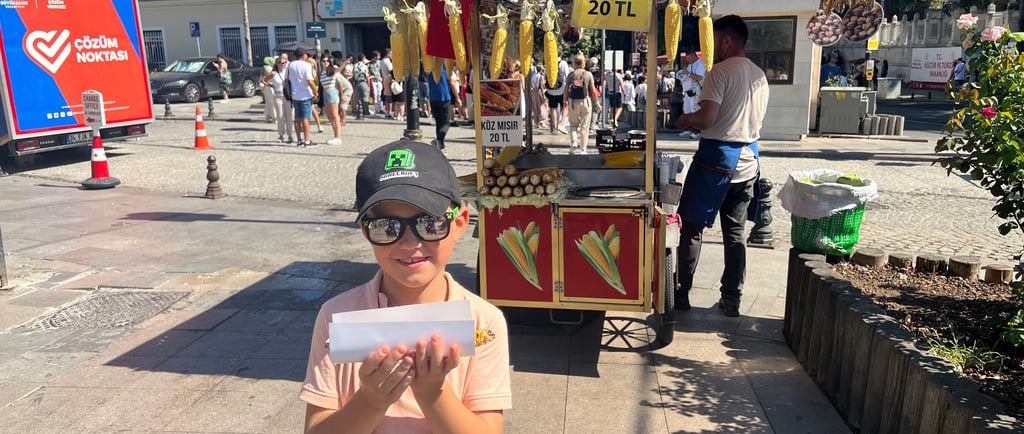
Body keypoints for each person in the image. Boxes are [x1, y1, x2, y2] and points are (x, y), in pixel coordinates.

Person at [300, 140, 512, 433]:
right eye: (386, 226)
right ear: (365, 230)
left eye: (430, 223)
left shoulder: (484, 321)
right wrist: (371, 400)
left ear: (460, 222)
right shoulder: (336, 317)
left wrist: (432, 393)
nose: (410, 243)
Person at [672, 14, 769, 317]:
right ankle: (732, 298)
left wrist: (685, 120)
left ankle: (681, 292)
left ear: (726, 40)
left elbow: (707, 119)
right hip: (748, 163)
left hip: (716, 161)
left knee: (692, 227)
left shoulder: (719, 72)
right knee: (735, 232)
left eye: (713, 40)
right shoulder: (760, 76)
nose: (710, 47)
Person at [563, 53, 600, 154]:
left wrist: (565, 101)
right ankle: (583, 149)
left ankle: (574, 142)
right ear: (584, 62)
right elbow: (593, 90)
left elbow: (566, 90)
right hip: (585, 102)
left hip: (573, 102)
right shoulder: (588, 74)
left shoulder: (571, 75)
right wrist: (597, 103)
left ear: (574, 63)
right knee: (585, 127)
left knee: (573, 125)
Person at [287, 48, 319, 148]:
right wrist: (316, 92)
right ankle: (307, 140)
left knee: (297, 118)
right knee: (305, 118)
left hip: (295, 94)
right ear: (303, 55)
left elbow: (287, 79)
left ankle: (299, 140)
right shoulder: (306, 65)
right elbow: (310, 81)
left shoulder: (290, 65)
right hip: (305, 94)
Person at [261, 55, 294, 143]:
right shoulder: (273, 73)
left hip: (287, 95)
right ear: (278, 64)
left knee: (289, 116)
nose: (284, 64)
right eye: (282, 63)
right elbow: (263, 80)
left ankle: (290, 135)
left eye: (285, 63)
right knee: (280, 116)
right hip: (278, 95)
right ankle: (281, 134)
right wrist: (271, 85)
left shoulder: (288, 72)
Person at [678, 52, 705, 139]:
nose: (687, 59)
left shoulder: (699, 64)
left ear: (693, 56)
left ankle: (697, 130)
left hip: (695, 91)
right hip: (687, 91)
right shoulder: (691, 65)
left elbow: (700, 77)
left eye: (688, 57)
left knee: (695, 110)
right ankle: (688, 129)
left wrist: (688, 74)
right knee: (687, 110)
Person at [428, 62, 453, 154]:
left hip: (433, 97)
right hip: (444, 97)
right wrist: (457, 97)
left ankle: (440, 146)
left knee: (439, 123)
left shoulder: (429, 69)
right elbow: (451, 81)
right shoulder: (443, 67)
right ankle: (439, 140)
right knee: (446, 123)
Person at [320, 58, 345, 145]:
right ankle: (335, 135)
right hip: (325, 92)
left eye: (327, 61)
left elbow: (339, 69)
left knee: (335, 116)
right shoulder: (322, 72)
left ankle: (338, 137)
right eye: (324, 61)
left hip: (332, 92)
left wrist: (345, 62)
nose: (325, 62)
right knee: (330, 116)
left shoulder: (332, 70)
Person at [544, 52, 570, 134]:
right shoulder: (563, 63)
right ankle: (562, 124)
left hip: (551, 90)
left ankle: (555, 129)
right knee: (566, 106)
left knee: (553, 109)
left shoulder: (549, 63)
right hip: (562, 89)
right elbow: (567, 75)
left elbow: (545, 75)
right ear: (561, 55)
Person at [352, 54, 372, 119]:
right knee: (365, 97)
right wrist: (368, 85)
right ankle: (366, 112)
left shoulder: (355, 65)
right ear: (363, 58)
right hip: (363, 81)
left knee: (359, 98)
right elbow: (367, 76)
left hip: (357, 82)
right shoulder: (364, 66)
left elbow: (353, 74)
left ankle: (359, 112)